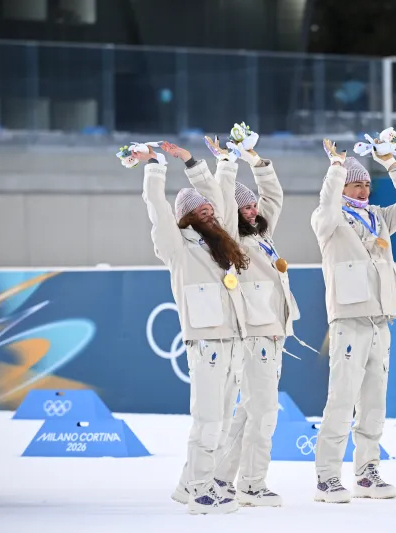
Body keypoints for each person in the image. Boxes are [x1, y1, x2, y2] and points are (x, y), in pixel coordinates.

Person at [163, 126, 299, 508]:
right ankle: (241, 483)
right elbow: (215, 196)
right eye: (246, 207)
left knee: (240, 415)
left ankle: (211, 480)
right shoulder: (228, 239)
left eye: (254, 206)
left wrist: (255, 160)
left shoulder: (260, 234)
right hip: (248, 331)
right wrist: (202, 164)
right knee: (249, 413)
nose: (254, 211)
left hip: (269, 331)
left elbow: (273, 196)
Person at [129, 141, 249, 514]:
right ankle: (200, 491)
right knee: (208, 420)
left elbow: (219, 197)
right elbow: (158, 212)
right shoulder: (177, 246)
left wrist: (191, 161)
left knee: (223, 419)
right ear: (187, 218)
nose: (211, 214)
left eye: (211, 210)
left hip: (232, 341)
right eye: (202, 211)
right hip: (207, 343)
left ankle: (189, 484)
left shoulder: (220, 247)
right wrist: (156, 166)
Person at [311, 134, 396, 503]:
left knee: (374, 403)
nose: (362, 191)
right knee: (341, 400)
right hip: (348, 319)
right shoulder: (328, 221)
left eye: (366, 184)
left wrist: (391, 163)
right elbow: (327, 205)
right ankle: (327, 475)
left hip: (381, 320)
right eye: (355, 184)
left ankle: (367, 470)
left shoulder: (380, 218)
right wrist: (336, 168)